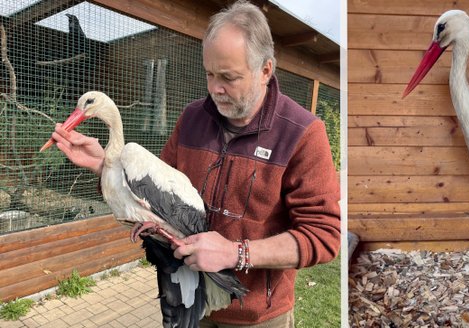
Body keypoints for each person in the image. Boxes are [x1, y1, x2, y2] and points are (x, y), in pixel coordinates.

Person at [49, 1, 340, 327]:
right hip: (191, 303)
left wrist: (237, 253)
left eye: (228, 77)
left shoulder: (303, 133)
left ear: (265, 70)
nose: (215, 88)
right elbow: (157, 196)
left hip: (256, 315)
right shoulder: (191, 118)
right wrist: (106, 164)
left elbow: (324, 236)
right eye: (210, 73)